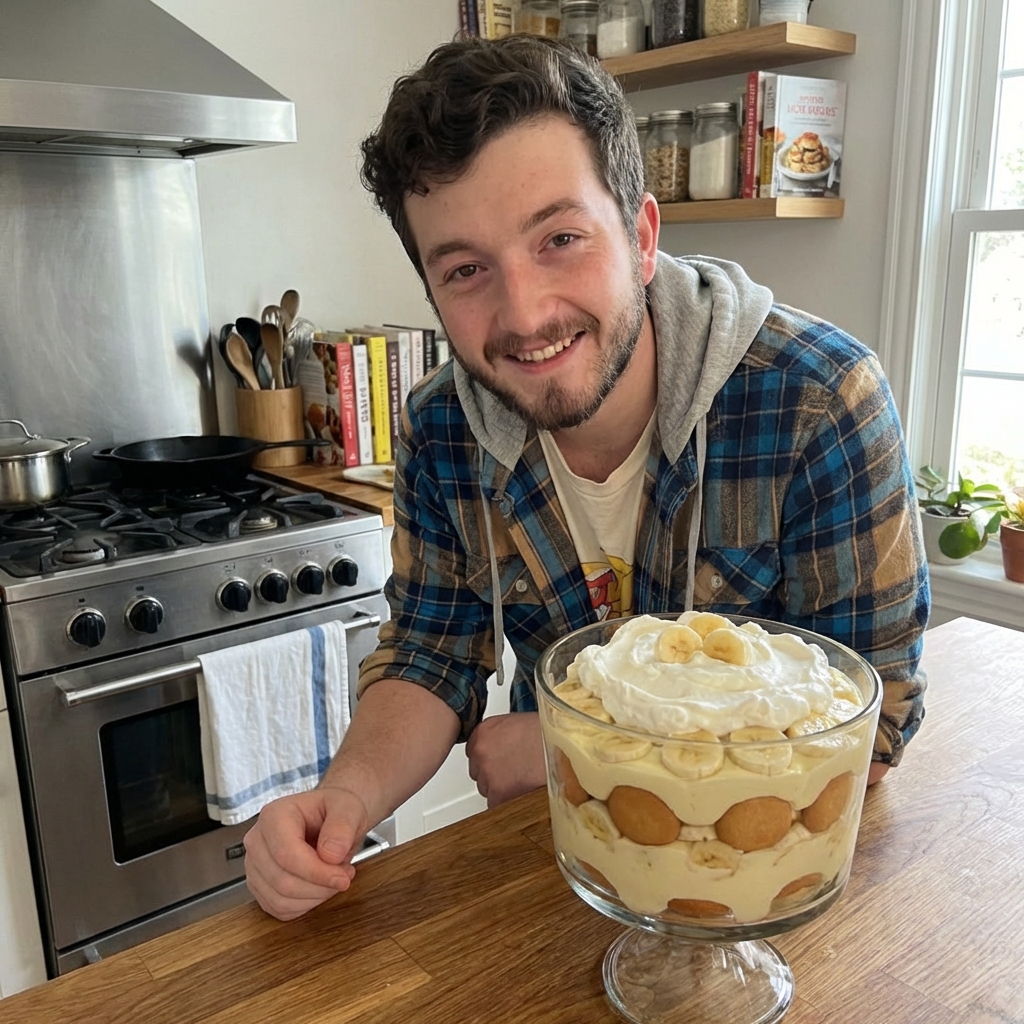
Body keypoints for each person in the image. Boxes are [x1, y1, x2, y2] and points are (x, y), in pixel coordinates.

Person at [243, 35, 929, 921]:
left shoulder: (820, 403)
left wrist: (571, 745)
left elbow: (877, 723)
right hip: (574, 874)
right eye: (465, 270)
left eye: (560, 238)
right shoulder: (441, 431)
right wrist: (345, 799)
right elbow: (431, 651)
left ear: (641, 236)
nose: (524, 314)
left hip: (783, 904)